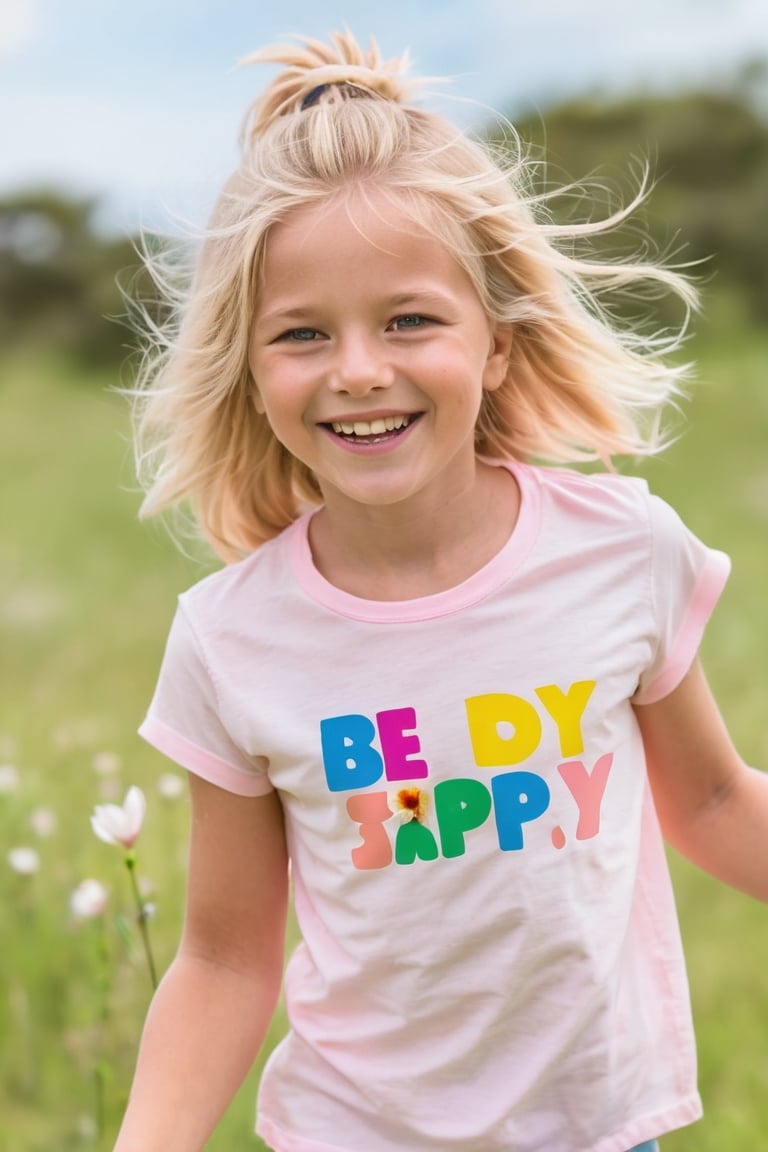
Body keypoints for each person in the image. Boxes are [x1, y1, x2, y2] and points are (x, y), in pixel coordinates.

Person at [115, 29, 768, 1152]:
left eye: (409, 319)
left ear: (498, 345)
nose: (358, 369)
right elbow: (225, 955)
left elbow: (710, 806)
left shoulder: (620, 553)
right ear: (252, 371)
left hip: (603, 1131)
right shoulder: (230, 640)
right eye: (303, 335)